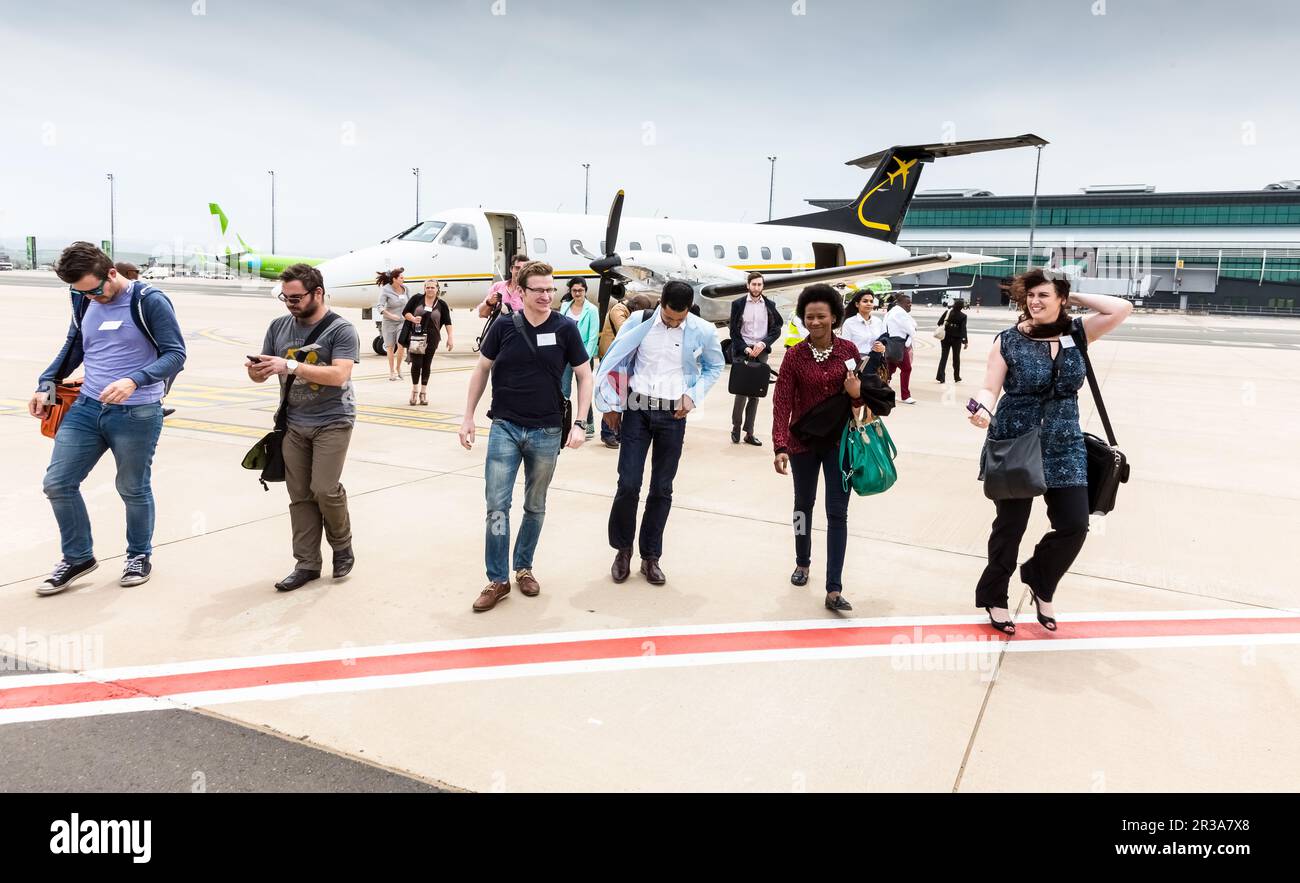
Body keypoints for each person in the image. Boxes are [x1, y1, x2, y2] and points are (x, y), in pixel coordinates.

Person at [967, 268, 1132, 635]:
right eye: (1031, 295)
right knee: (1010, 527)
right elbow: (989, 387)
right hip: (1016, 440)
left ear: (1061, 299)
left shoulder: (1078, 333)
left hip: (1065, 443)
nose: (1035, 301)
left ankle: (1039, 578)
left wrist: (1072, 297)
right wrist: (982, 408)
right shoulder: (1009, 340)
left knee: (1075, 524)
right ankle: (995, 596)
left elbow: (1121, 308)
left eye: (1044, 295)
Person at [31, 241, 186, 594]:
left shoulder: (148, 301)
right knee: (58, 483)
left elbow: (176, 354)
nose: (92, 298)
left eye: (96, 289)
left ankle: (138, 555)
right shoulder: (82, 299)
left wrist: (135, 380)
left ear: (112, 273)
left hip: (138, 411)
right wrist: (46, 383)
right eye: (83, 292)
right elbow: (74, 346)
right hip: (86, 408)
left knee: (132, 488)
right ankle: (77, 557)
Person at [459, 261, 592, 612]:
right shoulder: (504, 326)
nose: (547, 296)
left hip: (547, 430)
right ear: (520, 291)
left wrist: (580, 422)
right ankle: (497, 579)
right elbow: (481, 370)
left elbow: (584, 375)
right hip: (505, 426)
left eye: (551, 289)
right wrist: (468, 416)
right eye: (539, 290)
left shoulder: (566, 328)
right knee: (496, 506)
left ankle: (523, 567)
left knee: (535, 505)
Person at [594, 281, 724, 586]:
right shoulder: (640, 322)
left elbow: (714, 367)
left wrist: (693, 395)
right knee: (628, 483)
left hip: (673, 414)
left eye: (680, 319)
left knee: (662, 488)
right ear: (660, 304)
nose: (673, 323)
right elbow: (617, 360)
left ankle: (650, 556)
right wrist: (612, 404)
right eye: (668, 317)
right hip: (637, 409)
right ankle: (622, 550)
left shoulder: (703, 330)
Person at [248, 263, 361, 592]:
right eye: (285, 297)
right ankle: (307, 563)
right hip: (293, 422)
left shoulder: (340, 329)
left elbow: (340, 375)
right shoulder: (278, 326)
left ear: (318, 293)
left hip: (333, 419)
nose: (290, 303)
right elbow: (262, 371)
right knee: (299, 496)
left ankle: (342, 546)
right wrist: (257, 370)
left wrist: (291, 364)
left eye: (296, 297)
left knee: (324, 488)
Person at [771, 284, 864, 612]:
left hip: (841, 445)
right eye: (809, 316)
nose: (815, 322)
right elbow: (781, 401)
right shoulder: (794, 355)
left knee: (838, 513)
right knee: (802, 506)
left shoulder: (849, 352)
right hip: (802, 444)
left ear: (835, 317)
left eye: (821, 316)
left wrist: (855, 392)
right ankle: (802, 561)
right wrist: (780, 444)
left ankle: (834, 588)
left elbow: (866, 403)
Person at [727, 271, 782, 446]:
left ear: (762, 286)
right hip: (743, 351)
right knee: (741, 391)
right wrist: (745, 348)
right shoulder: (738, 304)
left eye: (759, 284)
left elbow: (776, 329)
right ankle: (736, 427)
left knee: (755, 393)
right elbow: (734, 331)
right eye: (754, 284)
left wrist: (763, 344)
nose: (756, 287)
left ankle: (749, 433)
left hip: (761, 352)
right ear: (748, 285)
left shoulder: (770, 305)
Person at [596, 293, 651, 449]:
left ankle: (617, 431)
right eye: (641, 312)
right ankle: (608, 433)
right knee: (612, 396)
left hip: (623, 361)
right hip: (614, 362)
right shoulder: (618, 310)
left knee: (623, 397)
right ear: (635, 308)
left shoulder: (628, 311)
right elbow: (627, 331)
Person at [400, 278, 454, 406]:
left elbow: (448, 322)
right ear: (424, 288)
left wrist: (450, 337)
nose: (430, 289)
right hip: (417, 336)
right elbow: (405, 312)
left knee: (426, 364)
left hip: (432, 338)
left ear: (437, 289)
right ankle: (414, 390)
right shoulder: (416, 299)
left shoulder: (442, 304)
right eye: (427, 287)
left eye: (432, 287)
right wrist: (413, 319)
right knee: (416, 364)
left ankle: (423, 393)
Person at [558, 277, 600, 438]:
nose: (577, 293)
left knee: (583, 389)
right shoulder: (565, 307)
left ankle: (588, 424)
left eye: (580, 290)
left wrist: (585, 358)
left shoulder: (592, 310)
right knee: (563, 390)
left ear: (585, 291)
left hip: (582, 356)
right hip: (565, 355)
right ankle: (563, 423)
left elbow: (593, 337)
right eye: (574, 290)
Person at [374, 267, 409, 381]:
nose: (403, 279)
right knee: (390, 347)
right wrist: (390, 315)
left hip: (402, 321)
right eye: (401, 277)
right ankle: (392, 371)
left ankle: (398, 368)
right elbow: (379, 306)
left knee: (401, 345)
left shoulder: (406, 289)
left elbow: (409, 305)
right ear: (394, 279)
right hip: (389, 322)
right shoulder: (386, 290)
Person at [840, 289, 888, 370]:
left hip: (875, 362)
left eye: (871, 301)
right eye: (865, 301)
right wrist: (851, 370)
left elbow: (885, 341)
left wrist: (883, 348)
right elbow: (845, 349)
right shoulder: (849, 323)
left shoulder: (878, 322)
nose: (869, 304)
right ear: (857, 304)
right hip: (857, 363)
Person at [884, 292, 917, 404]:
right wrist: (911, 342)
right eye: (908, 303)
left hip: (890, 344)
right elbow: (911, 329)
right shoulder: (900, 314)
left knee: (890, 370)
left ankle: (882, 390)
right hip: (898, 344)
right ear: (901, 303)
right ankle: (905, 395)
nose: (910, 305)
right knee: (907, 369)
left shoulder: (891, 312)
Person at [475, 253, 528, 318]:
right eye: (517, 268)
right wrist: (489, 302)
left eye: (524, 269)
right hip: (501, 327)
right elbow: (482, 314)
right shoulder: (498, 286)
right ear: (511, 269)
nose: (520, 271)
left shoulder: (530, 290)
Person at [935, 298, 969, 383]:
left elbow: (939, 322)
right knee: (956, 358)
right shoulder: (963, 316)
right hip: (956, 339)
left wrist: (947, 325)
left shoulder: (947, 312)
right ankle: (956, 377)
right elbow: (963, 329)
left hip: (945, 337)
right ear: (961, 307)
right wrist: (965, 341)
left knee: (944, 357)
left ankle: (941, 377)